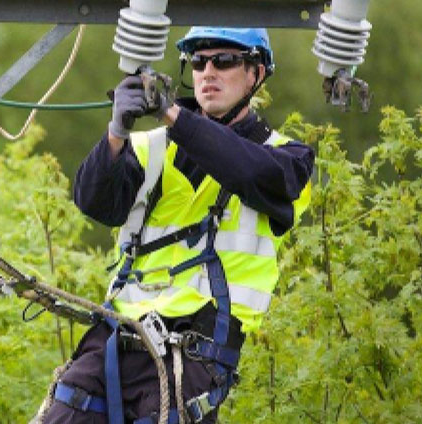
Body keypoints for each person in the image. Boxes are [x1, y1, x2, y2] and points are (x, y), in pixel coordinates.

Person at [42, 27, 314, 423]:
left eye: (224, 61)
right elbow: (94, 201)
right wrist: (116, 132)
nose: (208, 72)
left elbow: (247, 172)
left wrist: (173, 114)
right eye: (198, 62)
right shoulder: (150, 147)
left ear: (256, 74)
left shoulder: (286, 158)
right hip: (118, 335)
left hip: (196, 346)